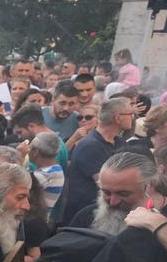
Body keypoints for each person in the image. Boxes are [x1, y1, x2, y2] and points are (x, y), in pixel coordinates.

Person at [57, 96, 137, 226]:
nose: (132, 118)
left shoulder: (118, 142)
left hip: (108, 211)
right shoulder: (90, 146)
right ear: (118, 118)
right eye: (130, 114)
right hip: (88, 217)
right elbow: (107, 185)